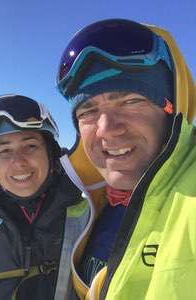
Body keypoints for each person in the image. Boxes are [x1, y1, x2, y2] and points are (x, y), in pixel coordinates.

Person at [56, 18, 196, 299]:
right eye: (87, 111)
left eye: (131, 101)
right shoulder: (88, 203)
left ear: (172, 110)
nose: (106, 129)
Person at [0, 94, 88, 300]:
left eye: (30, 146)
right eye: (5, 151)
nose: (19, 162)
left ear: (50, 153)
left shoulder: (87, 219)